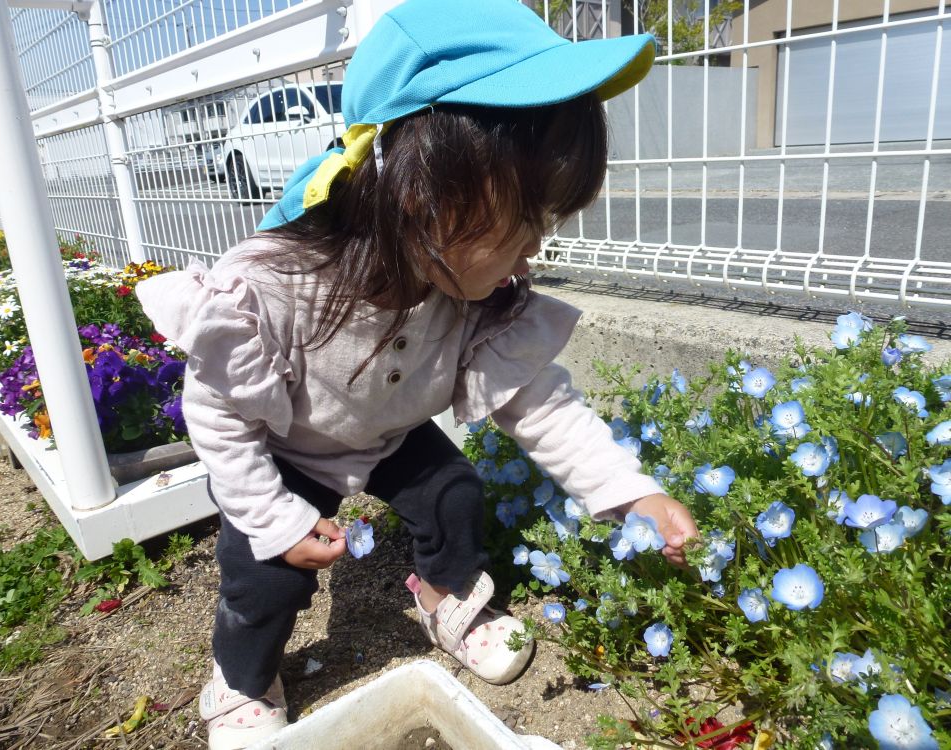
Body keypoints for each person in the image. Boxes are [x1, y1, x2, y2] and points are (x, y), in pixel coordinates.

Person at [137, 0, 698, 747]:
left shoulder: (473, 293)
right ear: (420, 192)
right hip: (284, 446)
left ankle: (445, 597)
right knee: (263, 575)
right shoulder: (276, 282)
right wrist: (275, 519)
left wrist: (629, 491)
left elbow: (541, 405)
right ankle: (241, 678)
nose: (535, 254)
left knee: (456, 496)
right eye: (526, 223)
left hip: (390, 436)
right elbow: (217, 415)